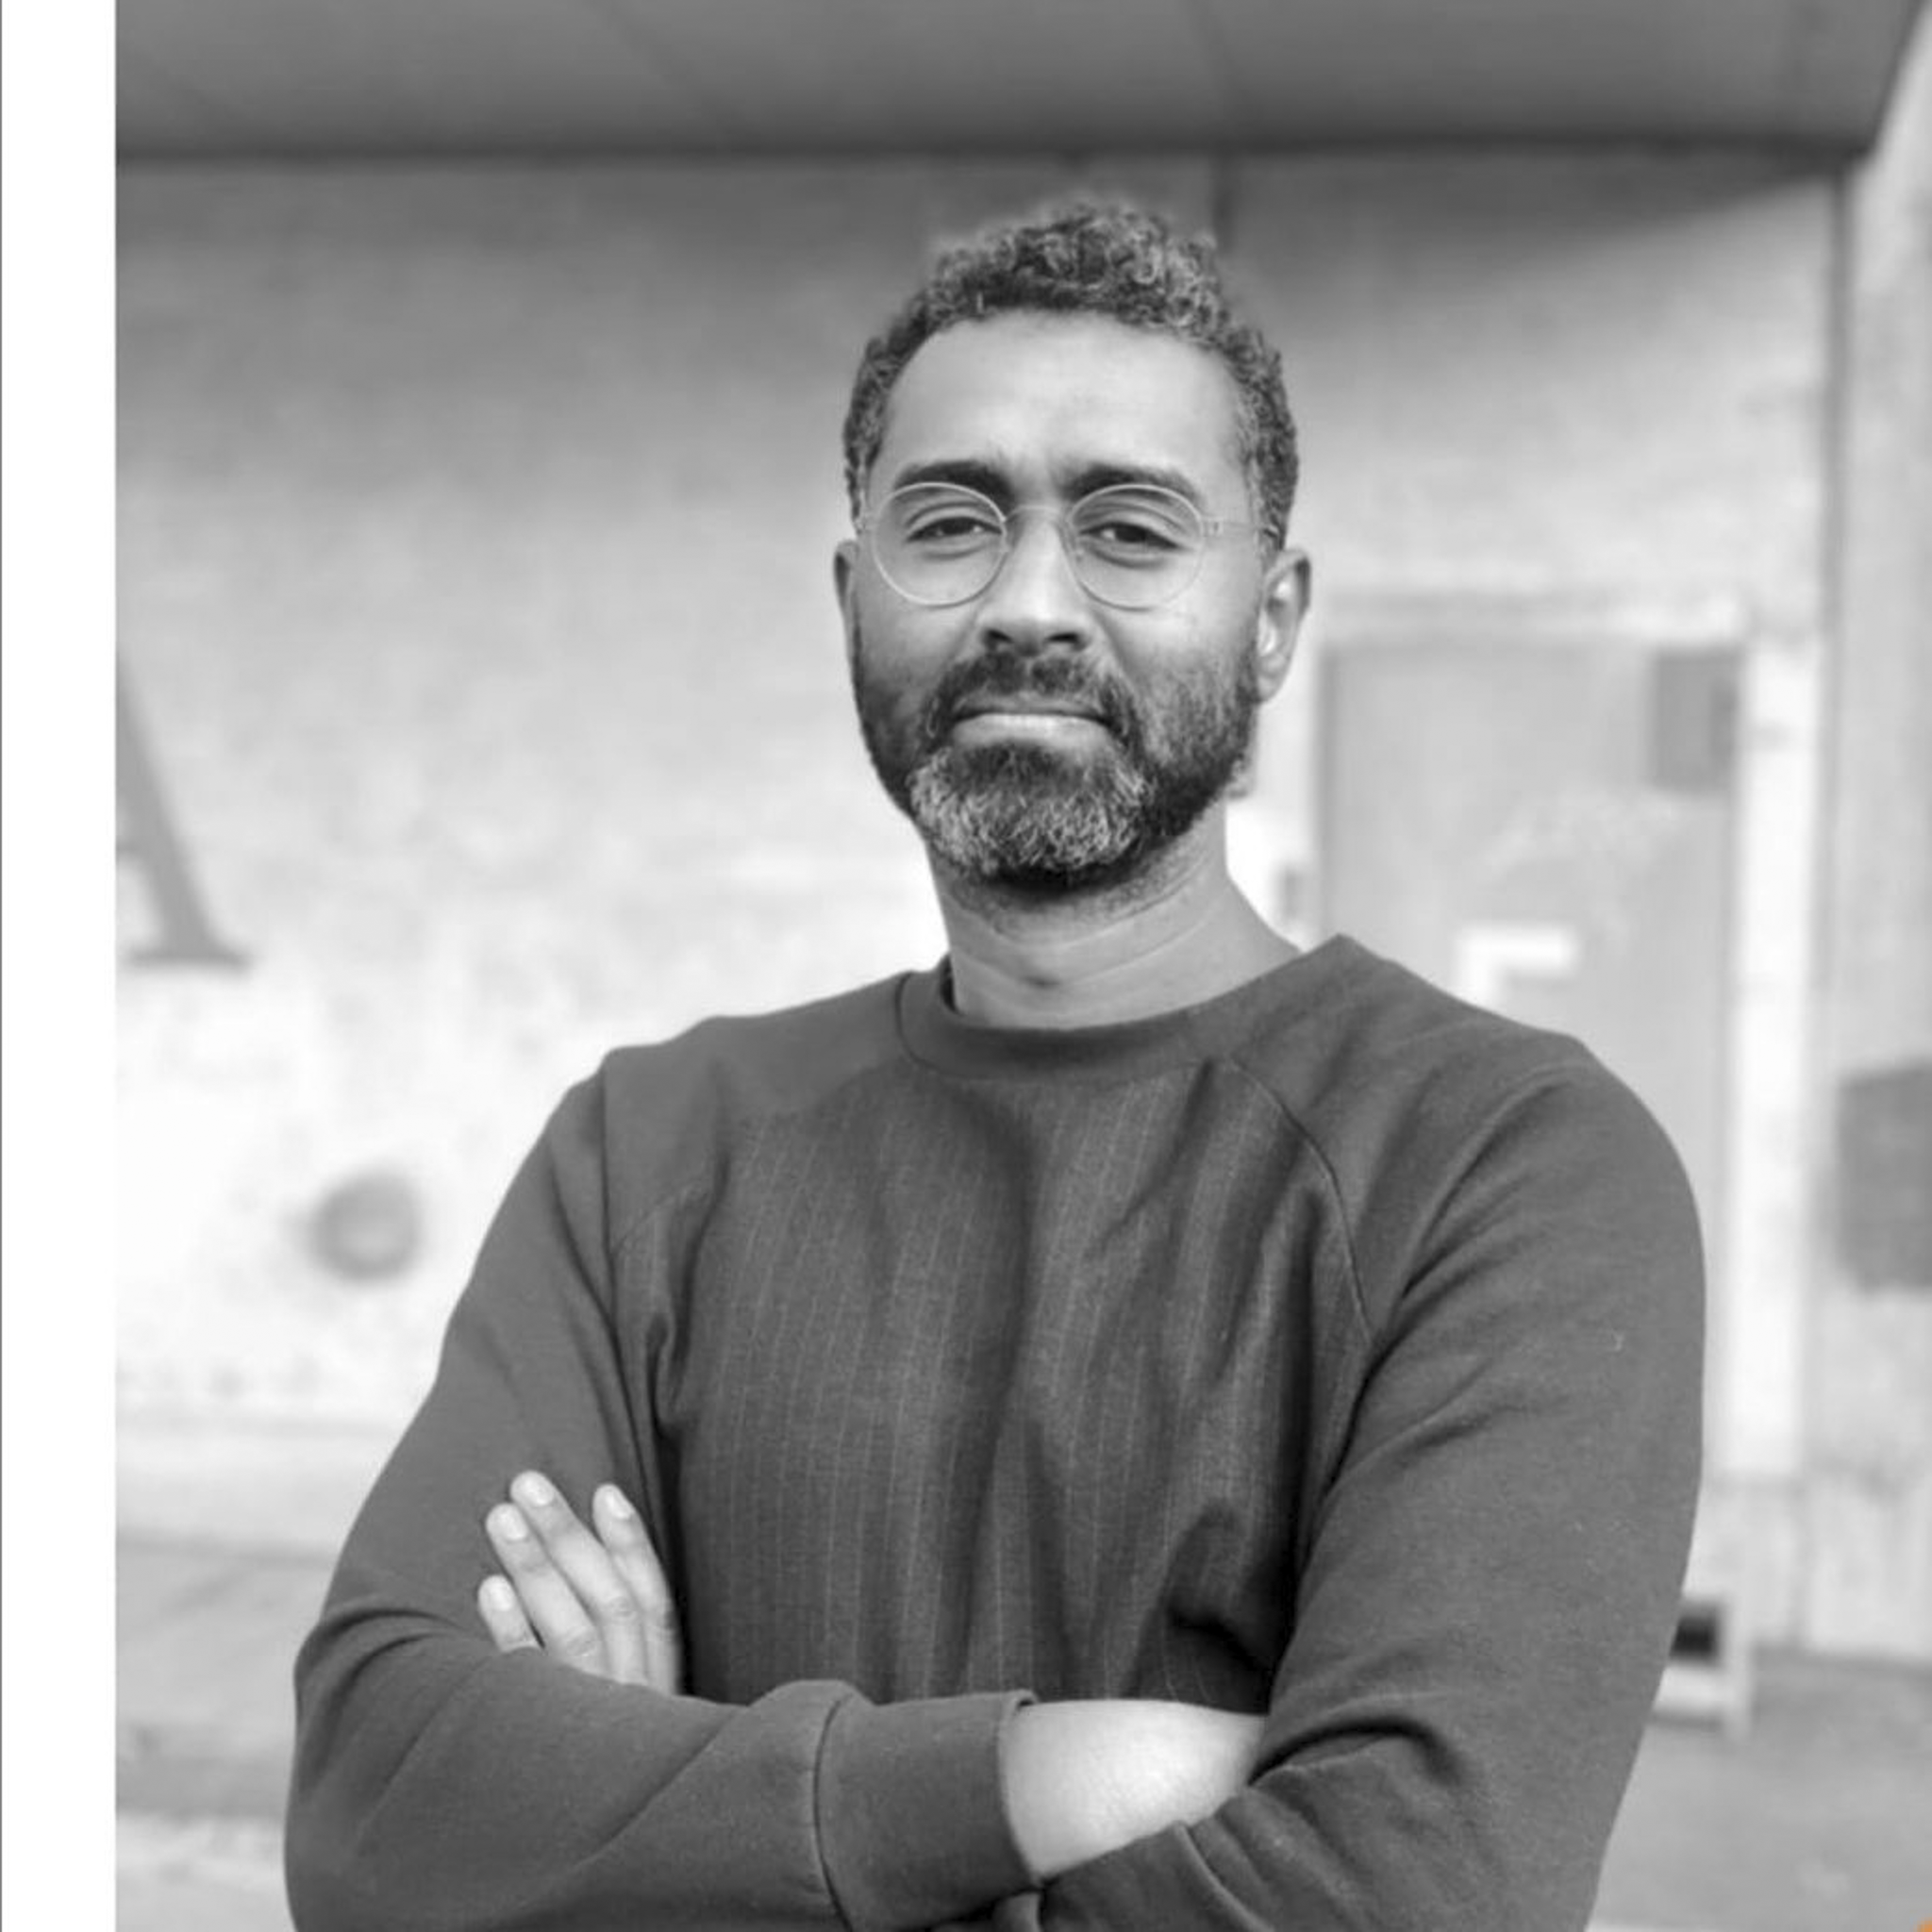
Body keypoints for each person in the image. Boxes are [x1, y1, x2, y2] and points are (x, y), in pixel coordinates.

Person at [285, 203, 1703, 1932]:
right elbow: (375, 1820)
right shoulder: (645, 1155)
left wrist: (669, 1823)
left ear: (1272, 620)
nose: (1031, 602)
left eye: (1130, 528)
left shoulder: (1502, 1165)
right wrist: (1044, 1776)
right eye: (951, 523)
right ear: (852, 601)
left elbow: (1409, 1896)